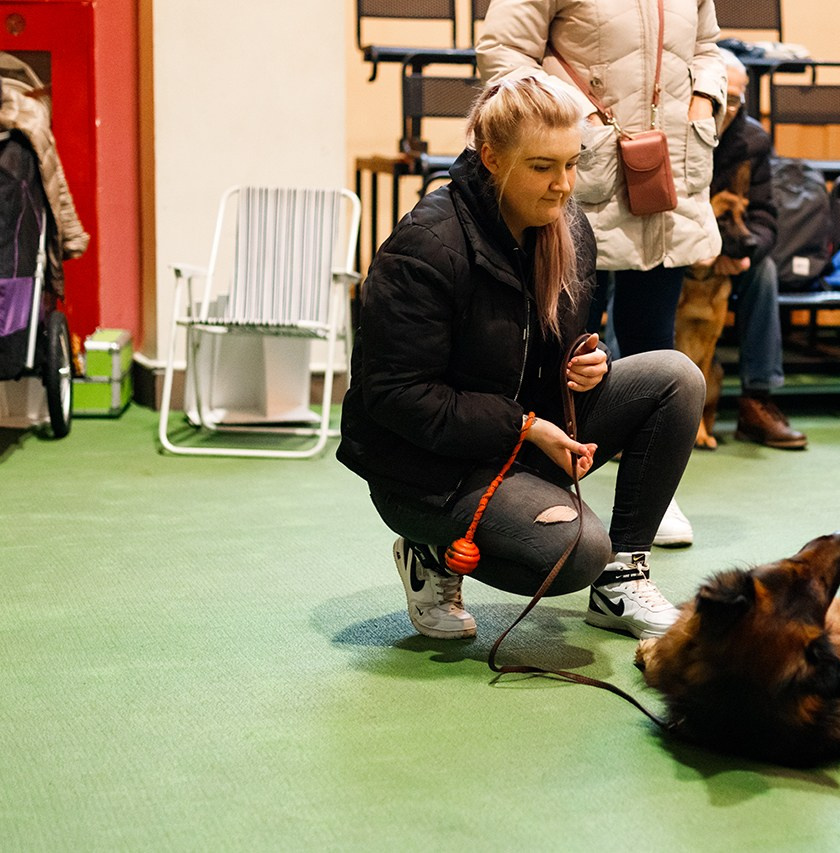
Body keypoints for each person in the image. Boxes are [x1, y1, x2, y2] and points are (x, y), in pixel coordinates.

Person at [337, 77, 704, 642]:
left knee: (676, 378)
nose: (562, 186)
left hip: (520, 439)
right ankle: (430, 552)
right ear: (491, 158)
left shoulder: (570, 227)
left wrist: (585, 364)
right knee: (575, 552)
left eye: (572, 164)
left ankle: (621, 581)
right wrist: (526, 426)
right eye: (541, 167)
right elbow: (395, 397)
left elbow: (549, 346)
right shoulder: (426, 246)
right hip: (427, 472)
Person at [476, 0, 727, 544]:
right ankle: (540, 480)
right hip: (574, 172)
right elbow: (504, 53)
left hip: (669, 174)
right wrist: (576, 118)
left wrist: (705, 101)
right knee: (559, 341)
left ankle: (653, 490)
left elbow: (706, 47)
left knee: (656, 338)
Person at [709, 50, 807, 450]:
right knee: (631, 271)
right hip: (677, 245)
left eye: (738, 99)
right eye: (724, 98)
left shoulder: (753, 139)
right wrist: (704, 247)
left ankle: (756, 399)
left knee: (763, 272)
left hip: (731, 245)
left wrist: (744, 252)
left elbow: (765, 216)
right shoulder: (673, 128)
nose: (731, 108)